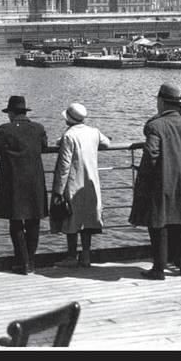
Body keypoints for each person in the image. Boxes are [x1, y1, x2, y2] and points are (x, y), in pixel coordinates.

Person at [129, 83, 181, 280]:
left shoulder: (155, 125)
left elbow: (152, 154)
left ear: (161, 101)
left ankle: (159, 269)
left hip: (162, 183)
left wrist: (143, 180)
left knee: (158, 224)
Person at [0, 96, 48, 275]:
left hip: (13, 180)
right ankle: (31, 262)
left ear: (11, 113)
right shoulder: (38, 128)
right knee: (34, 220)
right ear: (25, 112)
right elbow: (44, 146)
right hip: (35, 180)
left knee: (16, 222)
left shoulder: (5, 129)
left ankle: (23, 262)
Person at [50, 102, 110, 268]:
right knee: (87, 219)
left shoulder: (69, 136)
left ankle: (71, 256)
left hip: (73, 182)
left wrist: (58, 190)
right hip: (91, 183)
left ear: (68, 119)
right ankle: (85, 255)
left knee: (71, 219)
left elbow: (64, 166)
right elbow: (107, 143)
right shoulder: (94, 132)